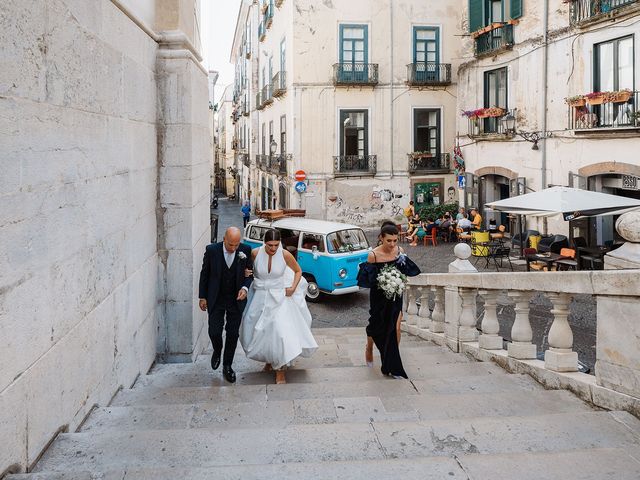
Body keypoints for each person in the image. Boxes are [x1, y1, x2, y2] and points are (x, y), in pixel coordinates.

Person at [240, 229, 318, 384]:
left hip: (280, 297)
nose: (273, 249)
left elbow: (297, 271)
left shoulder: (285, 254)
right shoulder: (255, 253)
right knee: (258, 331)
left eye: (276, 245)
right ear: (264, 242)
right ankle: (270, 360)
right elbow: (248, 273)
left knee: (280, 331)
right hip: (260, 296)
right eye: (270, 245)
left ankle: (281, 368)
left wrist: (293, 288)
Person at [357, 224, 420, 378]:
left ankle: (390, 361)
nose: (392, 244)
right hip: (379, 297)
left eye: (395, 240)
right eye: (389, 241)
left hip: (396, 295)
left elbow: (406, 272)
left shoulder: (399, 251)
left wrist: (398, 280)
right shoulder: (373, 255)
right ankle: (369, 348)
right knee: (375, 326)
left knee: (395, 328)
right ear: (381, 238)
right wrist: (385, 280)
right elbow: (368, 280)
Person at [198, 227, 254, 383]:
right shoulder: (211, 250)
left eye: (236, 245)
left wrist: (244, 287)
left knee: (232, 334)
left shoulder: (245, 250)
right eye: (231, 245)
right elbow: (205, 274)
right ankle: (217, 349)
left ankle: (227, 366)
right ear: (224, 239)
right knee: (214, 331)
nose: (234, 248)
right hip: (216, 297)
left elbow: (250, 274)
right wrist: (202, 296)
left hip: (236, 299)